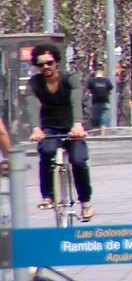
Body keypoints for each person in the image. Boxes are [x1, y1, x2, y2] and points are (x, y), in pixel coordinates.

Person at [28, 44, 94, 221]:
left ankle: (86, 202)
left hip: (72, 126)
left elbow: (76, 100)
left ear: (56, 62)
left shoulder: (69, 78)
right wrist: (36, 128)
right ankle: (48, 195)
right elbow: (32, 104)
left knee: (78, 161)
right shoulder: (35, 82)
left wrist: (78, 124)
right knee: (46, 151)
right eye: (41, 65)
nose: (46, 67)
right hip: (50, 127)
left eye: (49, 63)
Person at [84, 59, 116, 131]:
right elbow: (111, 91)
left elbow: (89, 91)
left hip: (95, 103)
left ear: (95, 72)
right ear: (102, 72)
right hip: (105, 103)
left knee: (96, 121)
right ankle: (103, 136)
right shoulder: (106, 81)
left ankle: (96, 137)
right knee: (104, 122)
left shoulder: (92, 81)